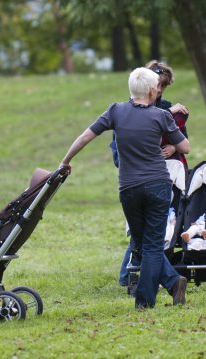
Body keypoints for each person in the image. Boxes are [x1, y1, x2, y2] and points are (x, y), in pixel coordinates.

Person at [61, 67, 190, 309]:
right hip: (159, 185)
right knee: (150, 245)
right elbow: (185, 147)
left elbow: (86, 136)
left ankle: (168, 286)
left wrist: (65, 160)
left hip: (129, 188)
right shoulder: (161, 116)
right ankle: (159, 291)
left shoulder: (115, 111)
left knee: (141, 244)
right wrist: (171, 131)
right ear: (153, 90)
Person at [117, 60, 189, 286]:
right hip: (138, 176)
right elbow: (122, 147)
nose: (159, 90)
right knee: (142, 236)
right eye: (158, 85)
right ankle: (159, 279)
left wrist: (173, 147)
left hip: (164, 174)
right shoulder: (127, 110)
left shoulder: (168, 109)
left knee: (150, 235)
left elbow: (184, 142)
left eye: (163, 86)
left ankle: (156, 285)